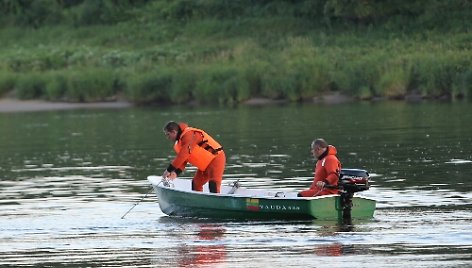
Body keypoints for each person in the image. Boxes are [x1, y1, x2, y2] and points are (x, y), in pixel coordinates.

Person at [162, 121, 226, 193]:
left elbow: (183, 154)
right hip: (205, 164)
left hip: (216, 158)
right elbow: (183, 160)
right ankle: (198, 202)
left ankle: (216, 203)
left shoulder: (189, 134)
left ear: (174, 132)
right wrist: (176, 173)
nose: (167, 138)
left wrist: (168, 170)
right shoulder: (179, 143)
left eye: (168, 134)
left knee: (213, 184)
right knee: (196, 184)